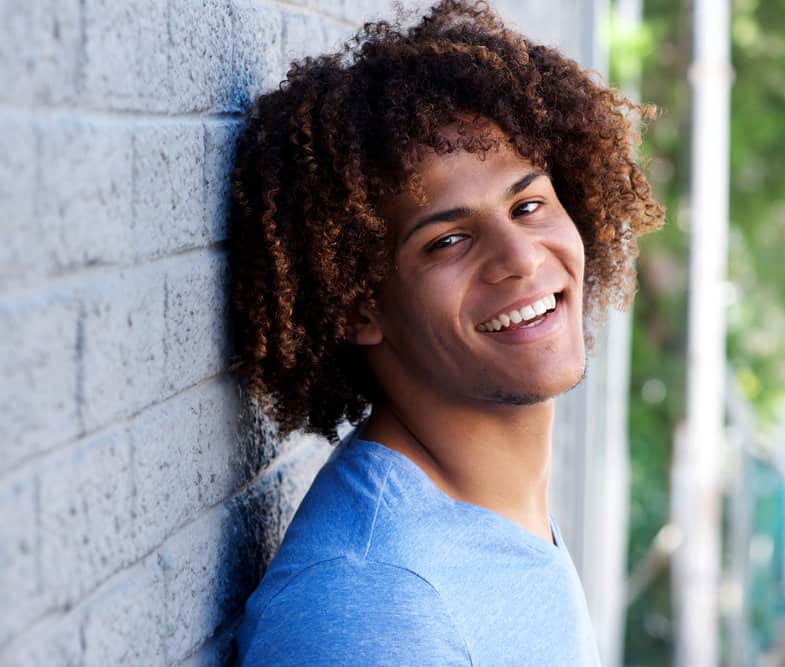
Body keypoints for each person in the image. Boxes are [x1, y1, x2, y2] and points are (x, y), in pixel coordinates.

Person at [228, 1, 664, 664]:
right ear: (357, 304)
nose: (520, 256)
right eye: (448, 239)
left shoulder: (491, 512)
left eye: (527, 204)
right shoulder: (376, 607)